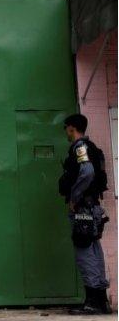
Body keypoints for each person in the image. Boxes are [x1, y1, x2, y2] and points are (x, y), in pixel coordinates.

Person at [59, 113, 111, 315]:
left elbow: (87, 173)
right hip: (93, 207)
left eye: (66, 128)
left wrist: (74, 197)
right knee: (94, 251)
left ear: (72, 128)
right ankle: (100, 300)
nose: (65, 131)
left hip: (83, 208)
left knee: (85, 253)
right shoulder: (94, 149)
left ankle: (92, 302)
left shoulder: (80, 147)